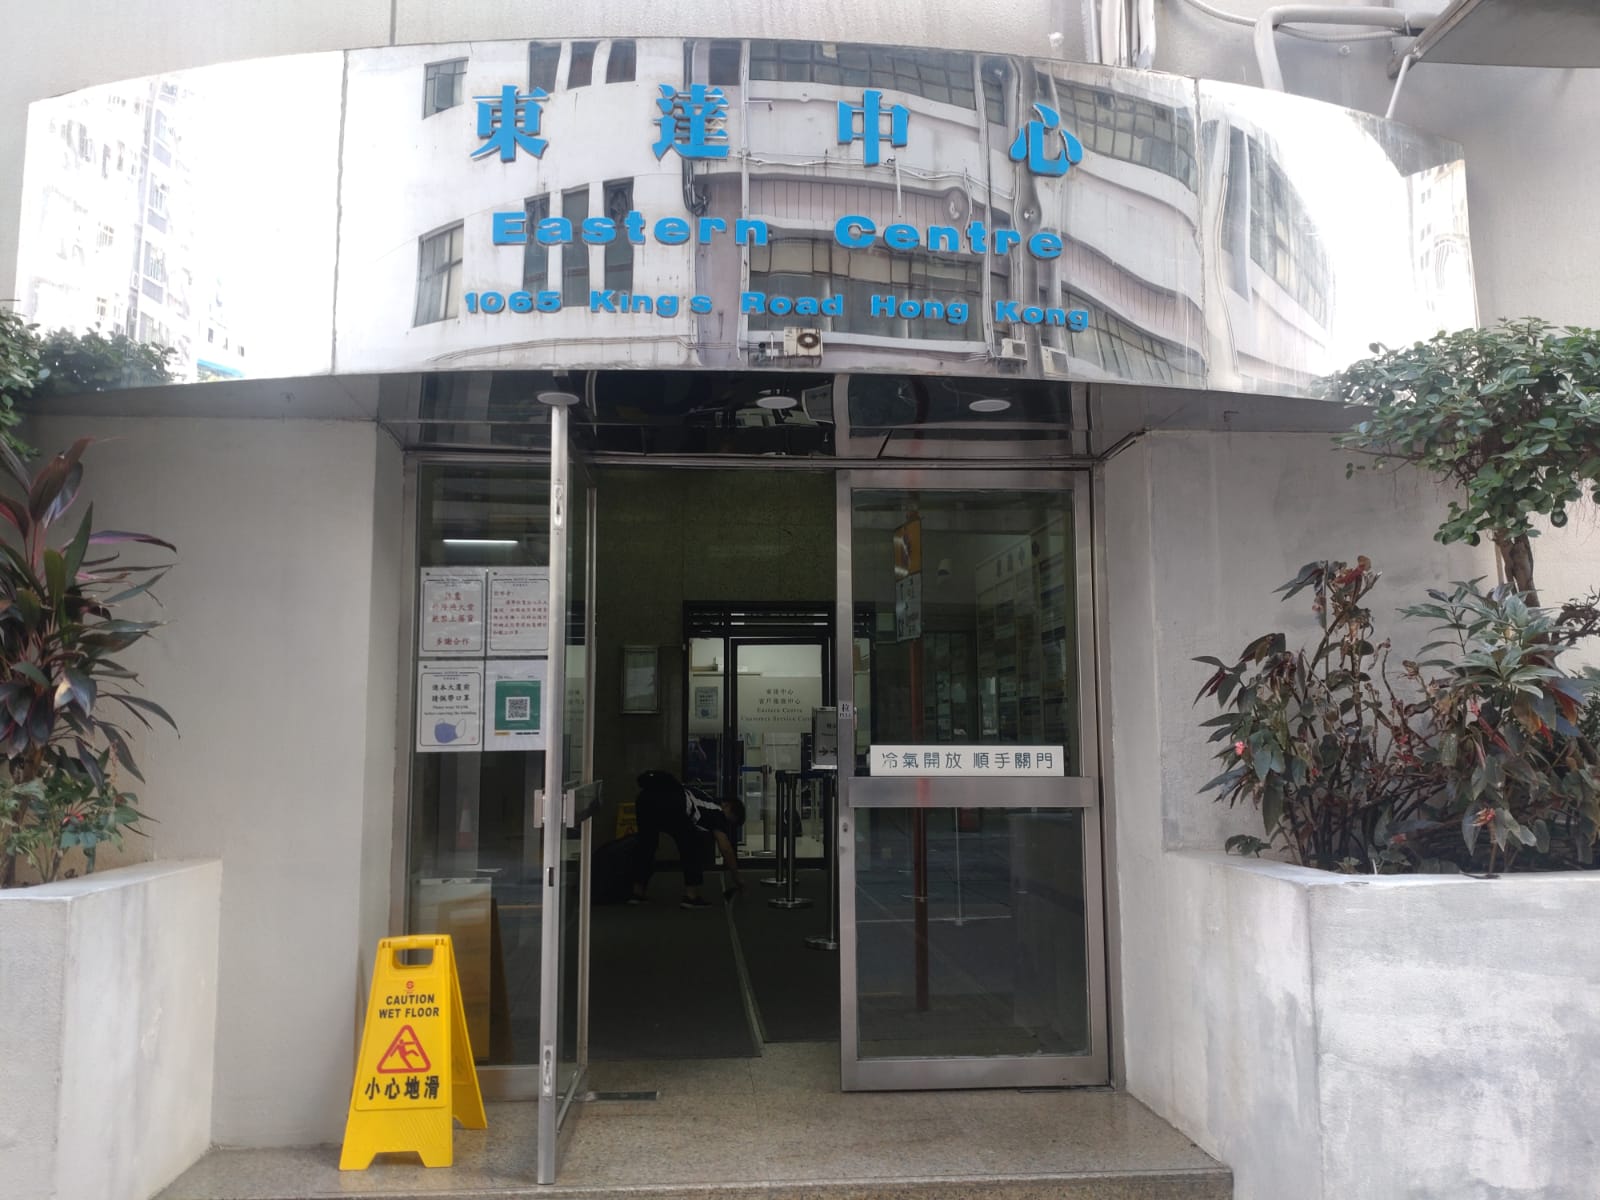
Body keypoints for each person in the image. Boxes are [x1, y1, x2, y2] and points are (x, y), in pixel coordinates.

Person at [629, 769, 746, 908]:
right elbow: (726, 849)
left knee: (646, 846)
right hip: (675, 804)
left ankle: (637, 893)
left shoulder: (703, 797)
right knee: (692, 848)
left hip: (644, 799)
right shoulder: (717, 811)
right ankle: (691, 896)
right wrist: (737, 877)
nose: (727, 825)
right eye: (731, 821)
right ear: (727, 806)